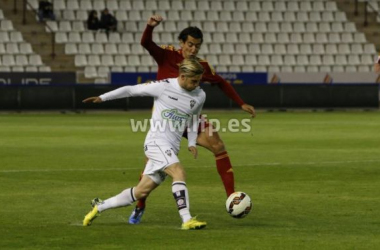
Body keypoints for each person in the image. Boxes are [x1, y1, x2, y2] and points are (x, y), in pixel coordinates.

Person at [127, 15, 256, 224]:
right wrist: (150, 27)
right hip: (166, 120)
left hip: (190, 116)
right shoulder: (167, 55)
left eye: (197, 46)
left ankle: (232, 197)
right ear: (181, 43)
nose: (193, 49)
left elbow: (221, 82)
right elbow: (146, 43)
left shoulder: (200, 66)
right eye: (190, 44)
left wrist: (240, 103)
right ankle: (140, 205)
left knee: (218, 145)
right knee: (152, 167)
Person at [82, 58, 207, 230]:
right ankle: (186, 219)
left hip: (171, 147)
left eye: (199, 81)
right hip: (156, 143)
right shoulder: (163, 87)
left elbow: (194, 119)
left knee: (140, 192)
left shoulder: (199, 95)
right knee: (178, 172)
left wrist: (192, 142)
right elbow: (131, 90)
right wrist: (103, 97)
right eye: (194, 81)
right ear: (183, 76)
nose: (196, 85)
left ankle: (99, 207)